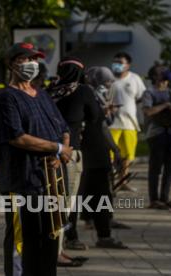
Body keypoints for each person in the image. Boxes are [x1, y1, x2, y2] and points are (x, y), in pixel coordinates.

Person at [0, 42, 72, 276]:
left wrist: (62, 151)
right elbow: (17, 137)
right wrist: (56, 147)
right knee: (21, 240)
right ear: (11, 64)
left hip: (48, 182)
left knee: (48, 237)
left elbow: (63, 127)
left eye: (34, 59)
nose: (31, 64)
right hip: (20, 182)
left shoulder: (42, 95)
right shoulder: (8, 98)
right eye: (25, 59)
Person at [49, 57, 99, 262]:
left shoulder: (49, 91)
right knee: (65, 203)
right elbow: (95, 116)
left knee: (50, 202)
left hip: (47, 152)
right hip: (70, 153)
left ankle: (51, 248)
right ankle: (57, 252)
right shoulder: (83, 90)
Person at [81, 66, 128, 249]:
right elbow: (101, 127)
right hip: (92, 154)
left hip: (94, 153)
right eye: (106, 82)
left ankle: (98, 227)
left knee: (94, 193)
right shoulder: (89, 96)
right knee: (97, 193)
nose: (108, 85)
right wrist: (115, 149)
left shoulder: (93, 96)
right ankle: (99, 231)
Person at [143, 64, 171, 209]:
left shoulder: (169, 92)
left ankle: (164, 198)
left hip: (169, 133)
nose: (165, 74)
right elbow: (148, 112)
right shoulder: (149, 92)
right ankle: (154, 200)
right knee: (155, 167)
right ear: (155, 76)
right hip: (156, 134)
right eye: (161, 72)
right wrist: (165, 105)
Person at [110, 52, 146, 191]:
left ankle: (123, 182)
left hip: (129, 124)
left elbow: (141, 96)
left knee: (127, 156)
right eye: (115, 61)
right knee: (110, 156)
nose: (117, 64)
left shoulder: (135, 78)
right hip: (112, 124)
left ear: (127, 65)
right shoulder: (109, 79)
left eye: (120, 62)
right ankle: (110, 181)